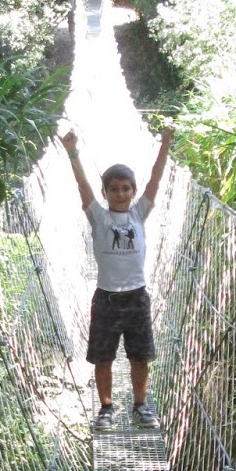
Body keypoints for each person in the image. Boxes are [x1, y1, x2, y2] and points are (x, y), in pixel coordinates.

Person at [60, 125, 175, 430]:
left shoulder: (138, 214)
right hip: (107, 298)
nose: (121, 193)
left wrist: (165, 144)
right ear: (105, 193)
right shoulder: (98, 216)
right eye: (114, 188)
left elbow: (155, 179)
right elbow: (83, 186)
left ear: (133, 192)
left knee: (140, 356)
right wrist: (73, 152)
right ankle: (106, 409)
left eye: (126, 188)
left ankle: (141, 404)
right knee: (103, 357)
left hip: (137, 297)